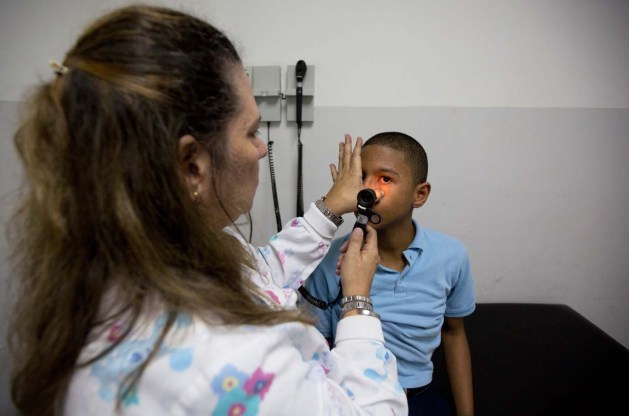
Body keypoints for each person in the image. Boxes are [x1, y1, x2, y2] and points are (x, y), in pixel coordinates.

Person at [7, 6, 407, 415]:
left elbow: (259, 272)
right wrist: (357, 301)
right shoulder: (233, 361)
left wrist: (328, 211)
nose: (262, 148)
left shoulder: (139, 256)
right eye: (251, 131)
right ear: (191, 165)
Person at [303, 132, 476, 416]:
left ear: (419, 194)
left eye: (385, 179)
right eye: (362, 178)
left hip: (421, 399)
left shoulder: (451, 256)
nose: (368, 190)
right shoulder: (330, 260)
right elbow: (313, 348)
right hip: (353, 400)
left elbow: (455, 334)